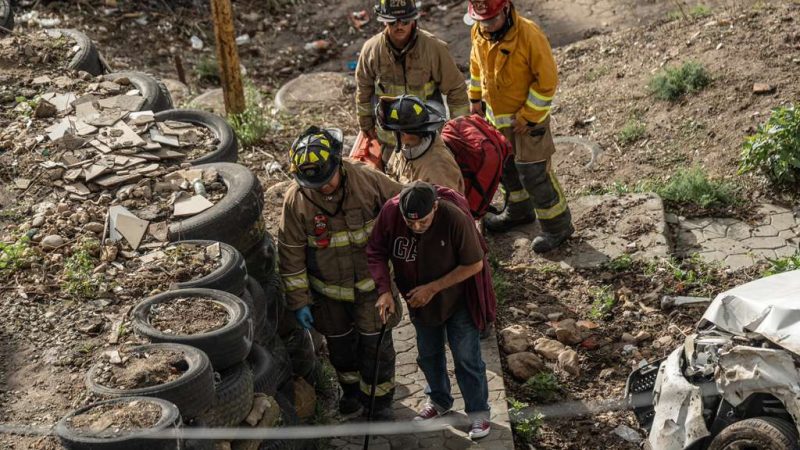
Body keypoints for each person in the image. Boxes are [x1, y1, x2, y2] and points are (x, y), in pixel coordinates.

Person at [278, 126, 404, 420]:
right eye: (314, 183)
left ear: (338, 163)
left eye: (326, 179)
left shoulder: (365, 178)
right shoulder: (296, 200)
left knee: (377, 348)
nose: (322, 187)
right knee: (341, 351)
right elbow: (291, 254)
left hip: (372, 289)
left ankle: (380, 402)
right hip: (328, 296)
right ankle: (352, 395)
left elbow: (402, 205)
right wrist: (299, 302)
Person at [366, 181, 492, 440]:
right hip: (420, 302)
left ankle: (478, 413)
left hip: (458, 300)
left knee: (466, 358)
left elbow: (474, 264)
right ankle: (438, 401)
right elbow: (376, 250)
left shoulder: (454, 217)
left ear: (435, 206)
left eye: (423, 221)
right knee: (428, 354)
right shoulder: (390, 213)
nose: (416, 227)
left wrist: (433, 288)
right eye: (410, 222)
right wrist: (384, 290)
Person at [466, 0, 574, 253]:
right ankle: (519, 211)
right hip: (497, 121)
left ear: (506, 9)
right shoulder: (479, 32)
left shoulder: (528, 35)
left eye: (492, 19)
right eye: (483, 21)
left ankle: (558, 226)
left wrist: (529, 117)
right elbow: (475, 67)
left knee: (534, 174)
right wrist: (474, 99)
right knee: (506, 169)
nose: (488, 26)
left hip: (527, 123)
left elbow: (547, 81)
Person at [356, 0, 470, 163]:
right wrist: (365, 124)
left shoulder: (433, 48)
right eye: (392, 21)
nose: (399, 26)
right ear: (384, 21)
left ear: (414, 20)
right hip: (391, 143)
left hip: (427, 139)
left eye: (405, 20)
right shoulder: (371, 51)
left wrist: (458, 132)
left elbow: (456, 89)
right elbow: (363, 90)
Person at [376, 94, 465, 193]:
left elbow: (445, 206)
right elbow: (391, 172)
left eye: (395, 131)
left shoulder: (438, 169)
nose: (393, 135)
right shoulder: (405, 147)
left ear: (404, 134)